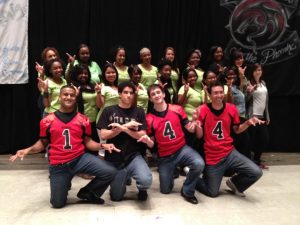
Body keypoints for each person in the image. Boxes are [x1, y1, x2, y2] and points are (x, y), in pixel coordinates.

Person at [9, 85, 119, 208]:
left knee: (110, 171)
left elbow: (88, 142)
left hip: (80, 159)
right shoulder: (47, 120)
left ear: (75, 98)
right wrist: (28, 150)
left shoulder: (83, 120)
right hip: (59, 165)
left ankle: (88, 192)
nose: (68, 97)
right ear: (60, 97)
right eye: (65, 94)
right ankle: (64, 182)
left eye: (72, 95)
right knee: (57, 203)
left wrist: (103, 146)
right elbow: (42, 144)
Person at [194, 82, 263, 198]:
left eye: (221, 92)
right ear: (210, 95)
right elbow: (199, 136)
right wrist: (197, 125)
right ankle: (193, 178)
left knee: (256, 172)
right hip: (213, 156)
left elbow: (237, 130)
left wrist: (247, 123)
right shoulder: (203, 110)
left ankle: (235, 184)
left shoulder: (231, 108)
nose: (219, 95)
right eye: (215, 93)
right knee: (212, 192)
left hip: (230, 152)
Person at [138, 84, 205, 204]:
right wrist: (148, 142)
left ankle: (187, 190)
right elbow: (152, 145)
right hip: (165, 156)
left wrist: (195, 121)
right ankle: (172, 172)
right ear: (150, 98)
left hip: (181, 149)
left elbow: (190, 129)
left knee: (199, 163)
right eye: (153, 94)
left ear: (163, 94)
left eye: (158, 92)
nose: (156, 95)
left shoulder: (177, 109)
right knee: (165, 190)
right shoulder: (149, 118)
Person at [97, 81, 152, 201]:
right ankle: (125, 176)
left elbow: (142, 134)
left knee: (146, 181)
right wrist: (127, 125)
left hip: (133, 155)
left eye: (131, 93)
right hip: (114, 158)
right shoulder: (108, 110)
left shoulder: (139, 111)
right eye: (125, 92)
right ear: (119, 94)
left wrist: (122, 128)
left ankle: (141, 188)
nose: (128, 95)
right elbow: (104, 134)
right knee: (116, 197)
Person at [246, 63, 270, 169]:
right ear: (252, 72)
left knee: (264, 139)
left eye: (260, 70)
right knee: (251, 140)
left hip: (262, 116)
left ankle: (257, 160)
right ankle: (249, 162)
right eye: (256, 70)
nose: (258, 72)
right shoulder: (248, 83)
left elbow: (266, 102)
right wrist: (250, 92)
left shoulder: (263, 83)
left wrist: (267, 116)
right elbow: (245, 100)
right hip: (252, 116)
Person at [69, 64, 100, 143]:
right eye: (80, 73)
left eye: (86, 73)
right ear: (76, 75)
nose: (84, 75)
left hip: (95, 120)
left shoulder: (92, 86)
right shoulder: (73, 87)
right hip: (81, 121)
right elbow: (69, 106)